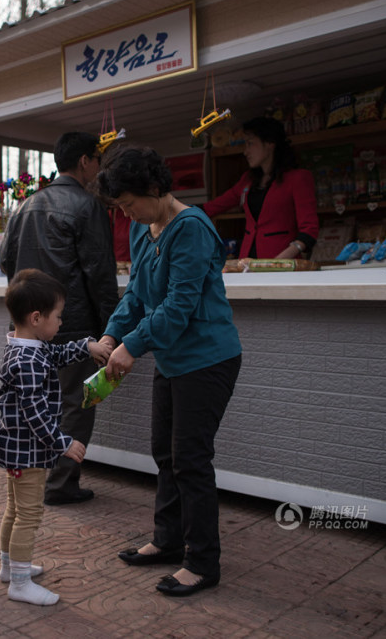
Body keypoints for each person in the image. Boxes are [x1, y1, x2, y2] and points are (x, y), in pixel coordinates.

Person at [96, 145, 242, 597]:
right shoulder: (145, 230)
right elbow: (137, 296)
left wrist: (133, 346)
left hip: (208, 359)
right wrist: (110, 336)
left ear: (156, 189)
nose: (126, 214)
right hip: (174, 359)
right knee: (165, 452)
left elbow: (179, 306)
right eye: (119, 208)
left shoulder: (192, 228)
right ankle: (168, 540)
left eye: (128, 204)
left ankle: (202, 561)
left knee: (191, 459)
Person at [0, 131, 118, 505]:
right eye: (97, 159)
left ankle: (34, 479)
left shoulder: (25, 205)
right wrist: (110, 329)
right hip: (71, 321)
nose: (98, 167)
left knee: (34, 402)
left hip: (27, 324)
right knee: (74, 403)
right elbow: (100, 272)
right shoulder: (88, 205)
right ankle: (61, 484)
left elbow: (6, 261)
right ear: (85, 161)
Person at [0, 269, 109, 605]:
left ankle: (9, 568)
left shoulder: (31, 348)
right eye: (58, 316)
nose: (61, 323)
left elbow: (57, 355)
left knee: (14, 510)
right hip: (26, 453)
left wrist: (87, 346)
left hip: (17, 451)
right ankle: (18, 583)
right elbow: (35, 416)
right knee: (28, 514)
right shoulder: (28, 359)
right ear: (36, 318)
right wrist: (64, 442)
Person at [202, 116, 319, 259]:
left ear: (270, 144)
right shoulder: (248, 180)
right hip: (248, 265)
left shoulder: (298, 178)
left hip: (282, 266)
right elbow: (215, 206)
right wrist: (177, 212)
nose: (246, 151)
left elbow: (309, 230)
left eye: (250, 144)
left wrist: (282, 258)